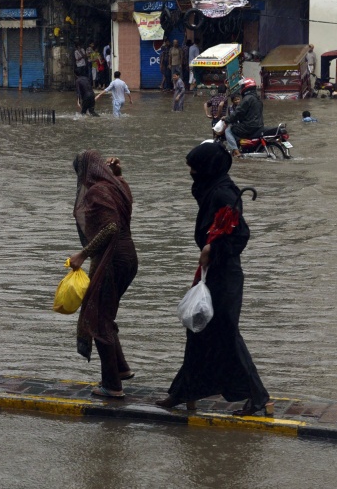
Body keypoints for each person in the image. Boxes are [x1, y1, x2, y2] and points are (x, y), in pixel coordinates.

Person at [155, 142, 270, 415]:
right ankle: (184, 392)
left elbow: (239, 234)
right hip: (211, 273)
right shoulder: (212, 189)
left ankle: (258, 396)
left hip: (225, 274)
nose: (191, 172)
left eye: (194, 167)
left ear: (207, 168)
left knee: (226, 335)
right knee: (197, 329)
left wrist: (212, 248)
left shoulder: (222, 193)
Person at [69, 151, 138, 398]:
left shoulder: (98, 191)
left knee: (98, 319)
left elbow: (110, 227)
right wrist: (118, 175)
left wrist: (83, 254)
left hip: (112, 260)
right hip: (128, 257)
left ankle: (112, 386)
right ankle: (120, 369)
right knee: (104, 314)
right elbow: (124, 195)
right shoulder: (117, 186)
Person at [222, 78, 263, 158]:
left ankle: (236, 152)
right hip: (258, 125)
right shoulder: (257, 98)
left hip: (249, 126)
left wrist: (227, 119)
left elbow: (238, 112)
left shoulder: (247, 99)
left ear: (246, 87)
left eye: (242, 86)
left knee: (228, 130)